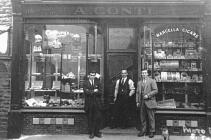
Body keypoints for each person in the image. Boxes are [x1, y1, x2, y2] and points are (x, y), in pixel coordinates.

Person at [136, 69, 158, 138]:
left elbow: (156, 90)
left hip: (150, 102)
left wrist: (148, 95)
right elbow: (137, 93)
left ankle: (152, 131)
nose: (143, 74)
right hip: (142, 102)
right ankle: (143, 130)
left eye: (145, 73)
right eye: (142, 73)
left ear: (147, 74)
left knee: (151, 117)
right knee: (142, 117)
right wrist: (137, 101)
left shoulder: (152, 81)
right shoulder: (139, 82)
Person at [83, 71, 103, 139]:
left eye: (93, 75)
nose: (92, 76)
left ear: (95, 76)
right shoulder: (85, 83)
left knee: (97, 118)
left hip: (97, 104)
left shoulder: (98, 82)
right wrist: (94, 91)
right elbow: (86, 92)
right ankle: (91, 133)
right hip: (89, 104)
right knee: (90, 118)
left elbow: (100, 92)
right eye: (91, 75)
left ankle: (97, 132)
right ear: (89, 75)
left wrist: (91, 91)